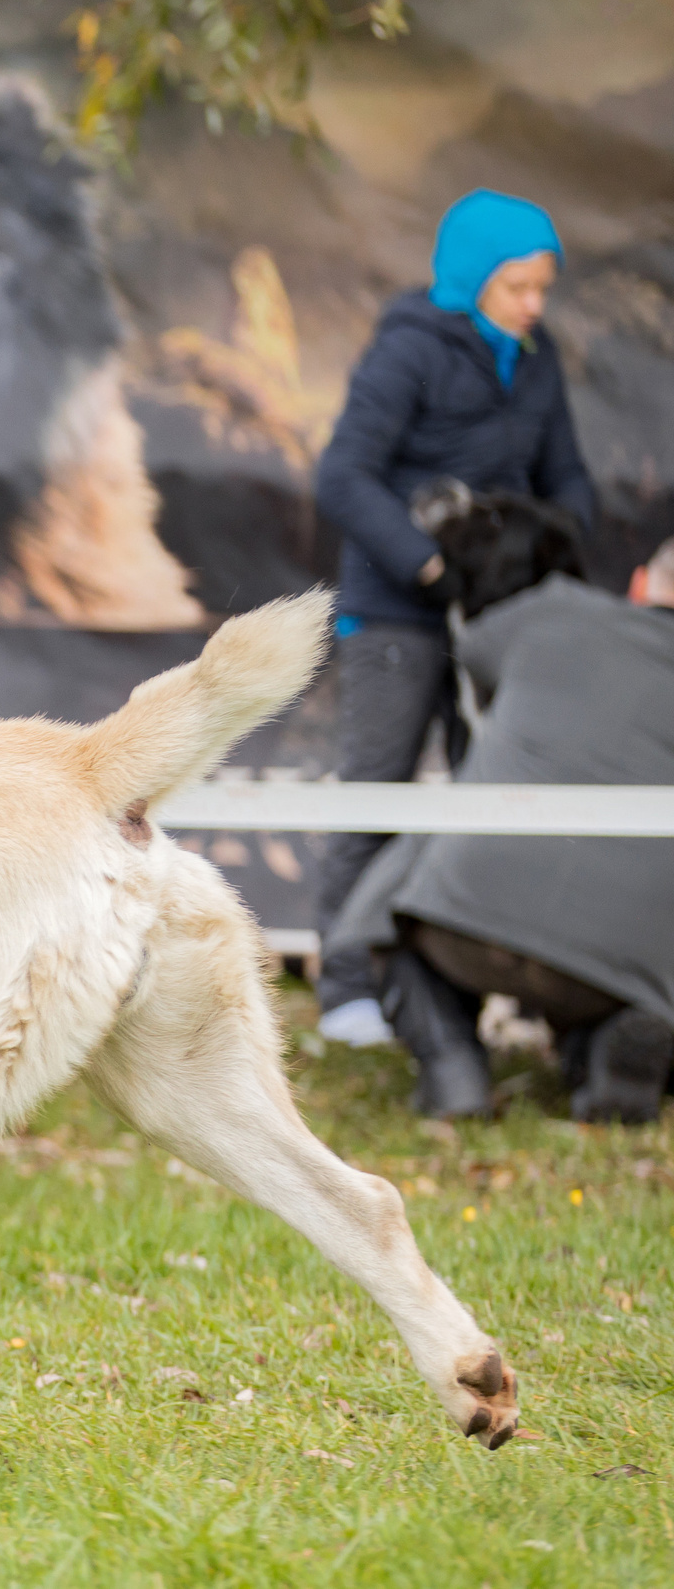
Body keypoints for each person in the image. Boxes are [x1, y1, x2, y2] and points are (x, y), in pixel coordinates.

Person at [310, 189, 595, 1047]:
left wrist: (561, 543)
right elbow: (343, 476)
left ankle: (487, 991)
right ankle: (348, 989)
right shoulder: (410, 350)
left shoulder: (536, 359)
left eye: (543, 288)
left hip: (498, 621)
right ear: (474, 279)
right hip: (395, 614)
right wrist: (427, 565)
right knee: (378, 790)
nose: (534, 305)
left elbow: (566, 475)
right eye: (517, 287)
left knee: (496, 793)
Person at [327, 532, 674, 1122]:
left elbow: (474, 661)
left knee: (399, 894)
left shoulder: (556, 608)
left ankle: (453, 1069)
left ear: (639, 582)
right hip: (627, 964)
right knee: (619, 969)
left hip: (463, 923)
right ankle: (610, 1049)